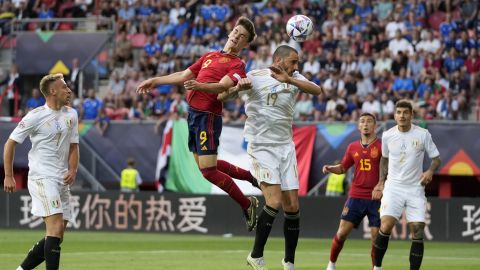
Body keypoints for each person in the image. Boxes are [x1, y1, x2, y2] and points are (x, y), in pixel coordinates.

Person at [137, 16, 259, 231]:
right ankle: (249, 176)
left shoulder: (238, 65)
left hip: (208, 117)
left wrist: (200, 86)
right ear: (230, 33)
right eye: (236, 32)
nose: (237, 37)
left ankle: (248, 204)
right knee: (205, 165)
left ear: (245, 44)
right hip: (193, 115)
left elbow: (222, 87)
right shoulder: (209, 55)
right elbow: (183, 75)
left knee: (208, 171)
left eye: (242, 37)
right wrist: (156, 80)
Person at [219, 45, 323, 270]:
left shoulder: (295, 77)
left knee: (293, 206)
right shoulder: (256, 76)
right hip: (261, 146)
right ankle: (256, 256)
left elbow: (317, 90)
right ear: (278, 59)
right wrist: (238, 87)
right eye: (293, 62)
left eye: (298, 63)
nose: (297, 66)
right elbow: (222, 95)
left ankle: (289, 262)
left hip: (286, 147)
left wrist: (290, 79)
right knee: (274, 201)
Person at [3, 73, 79, 270]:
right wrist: (9, 175)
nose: (69, 90)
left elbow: (73, 146)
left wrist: (73, 168)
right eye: (64, 87)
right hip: (42, 177)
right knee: (54, 228)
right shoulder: (35, 116)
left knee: (57, 235)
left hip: (61, 178)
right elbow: (10, 144)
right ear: (52, 91)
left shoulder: (71, 114)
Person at [372, 100, 441, 270]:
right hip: (393, 187)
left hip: (415, 188)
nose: (402, 116)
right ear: (394, 115)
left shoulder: (423, 134)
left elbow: (436, 159)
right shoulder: (388, 135)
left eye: (405, 112)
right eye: (399, 112)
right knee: (386, 225)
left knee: (417, 230)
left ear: (411, 115)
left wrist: (430, 171)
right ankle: (377, 268)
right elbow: (384, 159)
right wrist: (381, 182)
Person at [323, 113, 382, 270]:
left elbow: (389, 170)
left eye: (369, 121)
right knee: (342, 233)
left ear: (375, 125)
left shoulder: (382, 146)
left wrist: (382, 186)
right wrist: (331, 168)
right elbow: (343, 167)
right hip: (356, 196)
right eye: (362, 121)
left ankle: (376, 268)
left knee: (376, 238)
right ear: (358, 126)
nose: (365, 124)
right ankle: (331, 264)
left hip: (377, 198)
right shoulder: (352, 147)